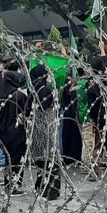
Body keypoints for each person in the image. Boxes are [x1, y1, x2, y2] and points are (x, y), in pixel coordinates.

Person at [0, 60, 27, 195]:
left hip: (2, 133)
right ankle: (14, 186)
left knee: (8, 159)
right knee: (16, 160)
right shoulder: (19, 96)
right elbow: (25, 114)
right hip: (16, 133)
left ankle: (8, 185)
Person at [28, 64, 61, 200]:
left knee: (42, 161)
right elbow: (45, 108)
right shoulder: (45, 91)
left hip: (36, 130)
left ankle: (40, 186)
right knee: (50, 161)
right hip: (46, 130)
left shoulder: (34, 91)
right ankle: (50, 190)